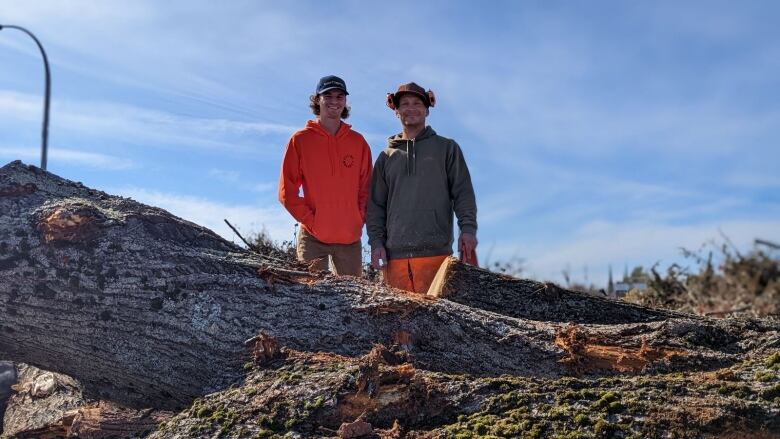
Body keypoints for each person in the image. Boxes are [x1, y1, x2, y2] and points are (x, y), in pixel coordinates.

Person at [367, 82, 478, 293]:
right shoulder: (385, 157)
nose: (411, 108)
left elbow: (463, 193)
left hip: (437, 256)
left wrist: (468, 230)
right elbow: (376, 206)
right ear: (396, 111)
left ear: (427, 109)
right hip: (395, 260)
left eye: (417, 103)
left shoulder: (447, 148)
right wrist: (376, 243)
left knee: (439, 324)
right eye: (405, 104)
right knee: (398, 324)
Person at [278, 75, 372, 276]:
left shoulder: (359, 143)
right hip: (312, 239)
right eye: (327, 95)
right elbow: (287, 191)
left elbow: (367, 188)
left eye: (339, 96)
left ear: (345, 102)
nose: (334, 101)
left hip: (350, 239)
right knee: (311, 300)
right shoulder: (300, 140)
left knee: (355, 303)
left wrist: (358, 219)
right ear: (317, 99)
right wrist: (312, 221)